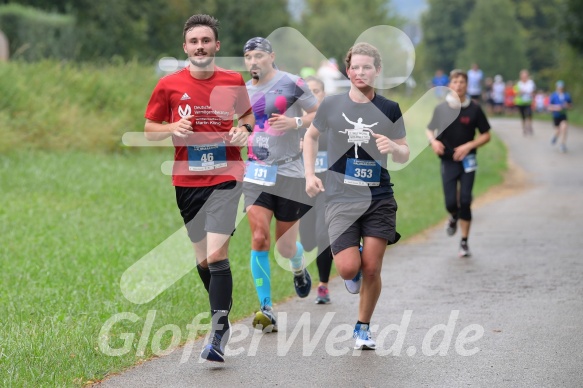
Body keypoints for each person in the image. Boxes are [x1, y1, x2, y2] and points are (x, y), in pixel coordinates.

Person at [144, 14, 254, 363]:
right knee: (203, 260)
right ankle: (222, 308)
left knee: (217, 254)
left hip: (226, 175)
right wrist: (173, 126)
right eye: (194, 42)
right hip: (187, 179)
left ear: (216, 45)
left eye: (206, 40)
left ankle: (218, 331)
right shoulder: (168, 85)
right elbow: (150, 129)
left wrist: (243, 132)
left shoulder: (233, 80)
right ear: (185, 47)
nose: (200, 46)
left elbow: (248, 120)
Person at [304, 42, 409, 350]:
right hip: (340, 197)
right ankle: (355, 268)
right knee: (349, 268)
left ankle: (363, 327)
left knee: (372, 267)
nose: (361, 72)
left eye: (368, 67)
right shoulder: (332, 105)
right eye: (356, 67)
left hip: (378, 196)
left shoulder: (389, 108)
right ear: (347, 71)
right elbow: (311, 137)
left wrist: (395, 149)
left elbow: (404, 151)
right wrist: (310, 174)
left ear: (377, 71)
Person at [242, 37, 319, 332]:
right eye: (248, 57)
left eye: (259, 55)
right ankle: (266, 308)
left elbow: (317, 114)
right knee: (259, 237)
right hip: (256, 174)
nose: (253, 61)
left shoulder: (293, 83)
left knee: (285, 248)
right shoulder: (242, 91)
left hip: (290, 173)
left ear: (271, 57)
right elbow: (239, 124)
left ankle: (298, 266)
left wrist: (296, 123)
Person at [426, 69, 491, 258]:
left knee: (465, 200)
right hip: (448, 160)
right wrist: (433, 142)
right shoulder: (441, 108)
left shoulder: (475, 109)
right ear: (449, 85)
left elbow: (486, 135)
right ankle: (453, 216)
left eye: (462, 82)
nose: (458, 85)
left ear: (467, 85)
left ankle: (464, 242)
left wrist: (469, 145)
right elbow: (429, 130)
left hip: (468, 160)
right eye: (455, 81)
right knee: (450, 203)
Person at [298, 75, 335, 304]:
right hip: (302, 188)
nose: (312, 95)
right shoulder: (294, 124)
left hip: (329, 186)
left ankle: (323, 285)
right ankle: (300, 269)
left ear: (324, 95)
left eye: (316, 91)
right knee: (308, 241)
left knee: (324, 235)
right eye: (307, 91)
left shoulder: (334, 122)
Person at [549, 80, 573, 153]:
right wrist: (556, 107)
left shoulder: (567, 95)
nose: (560, 89)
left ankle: (563, 144)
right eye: (559, 87)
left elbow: (571, 106)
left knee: (564, 128)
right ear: (557, 87)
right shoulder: (553, 96)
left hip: (563, 115)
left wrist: (567, 106)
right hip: (556, 116)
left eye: (561, 88)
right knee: (558, 131)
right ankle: (555, 136)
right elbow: (549, 107)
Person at [514, 69, 536, 135]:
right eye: (523, 76)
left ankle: (530, 126)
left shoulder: (531, 83)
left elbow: (533, 92)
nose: (524, 77)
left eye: (525, 76)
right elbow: (516, 93)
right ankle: (524, 128)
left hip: (528, 102)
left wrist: (532, 94)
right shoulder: (518, 84)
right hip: (520, 102)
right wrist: (520, 92)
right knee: (523, 116)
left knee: (529, 114)